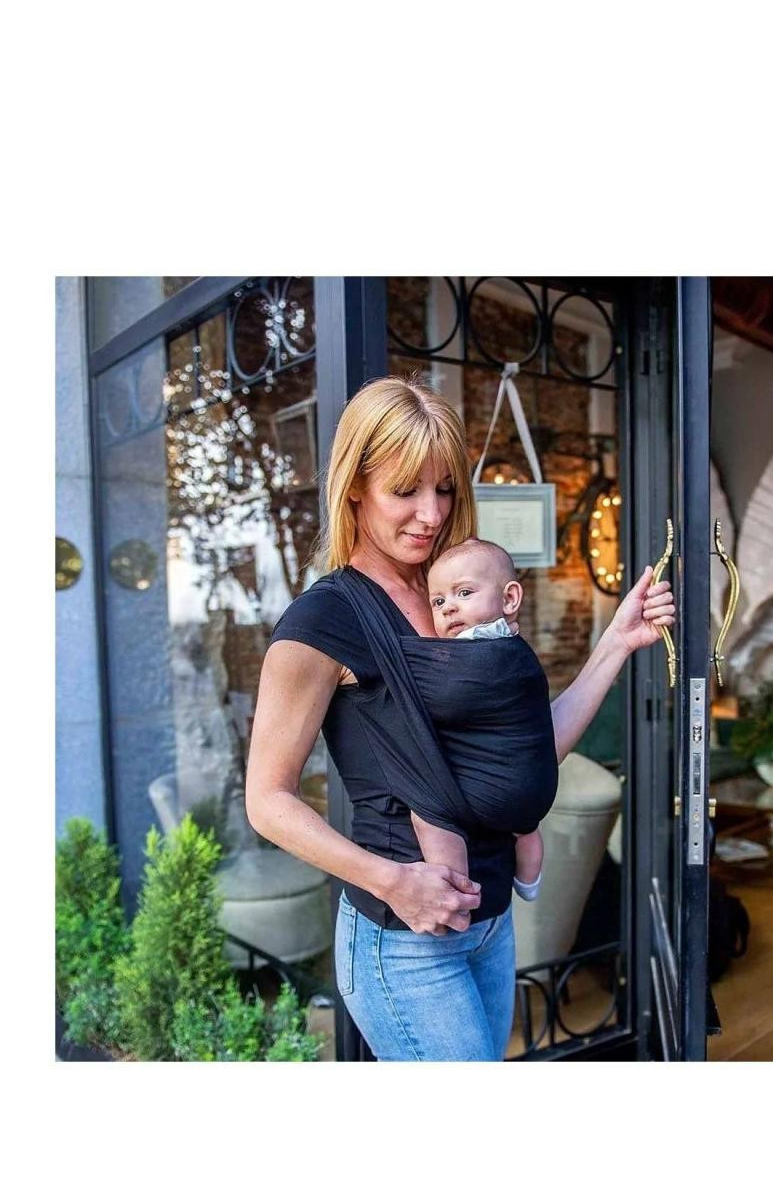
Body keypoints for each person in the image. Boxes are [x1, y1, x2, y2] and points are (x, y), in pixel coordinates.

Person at [245, 375, 675, 1062]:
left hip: (490, 923)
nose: (430, 513)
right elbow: (267, 801)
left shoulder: (457, 593)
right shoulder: (322, 621)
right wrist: (392, 881)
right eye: (404, 490)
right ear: (355, 487)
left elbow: (525, 750)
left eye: (444, 489)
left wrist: (616, 645)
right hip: (403, 940)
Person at [409, 535, 548, 905]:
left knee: (428, 814)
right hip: (531, 790)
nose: (449, 608)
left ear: (510, 599)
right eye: (438, 601)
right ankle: (530, 882)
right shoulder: (510, 641)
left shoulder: (477, 647)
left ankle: (455, 889)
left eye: (464, 593)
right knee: (526, 830)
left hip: (488, 793)